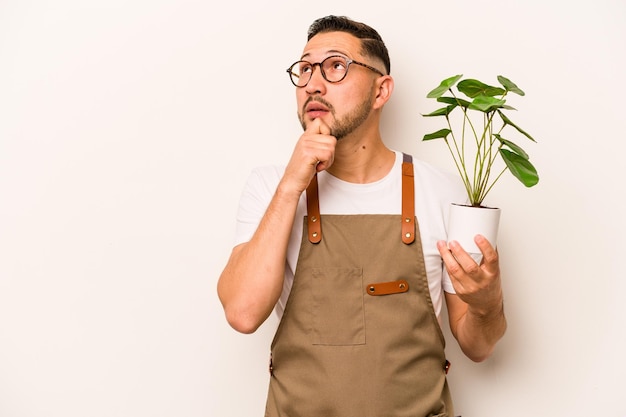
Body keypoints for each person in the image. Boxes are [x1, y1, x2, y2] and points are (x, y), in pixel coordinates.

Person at [217, 15, 507, 417]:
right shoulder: (270, 187)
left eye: (336, 66)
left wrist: (486, 304)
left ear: (380, 90)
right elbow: (242, 313)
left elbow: (478, 346)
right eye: (304, 69)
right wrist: (290, 187)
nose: (313, 84)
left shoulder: (440, 192)